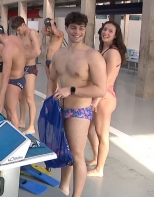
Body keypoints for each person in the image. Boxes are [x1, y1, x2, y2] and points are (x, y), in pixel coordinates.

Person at [46, 12, 107, 197]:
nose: (77, 31)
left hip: (79, 110)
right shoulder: (59, 55)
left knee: (77, 154)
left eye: (81, 28)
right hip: (60, 108)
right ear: (66, 28)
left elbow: (100, 90)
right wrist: (50, 99)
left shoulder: (92, 56)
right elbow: (52, 79)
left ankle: (76, 195)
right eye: (73, 27)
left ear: (85, 30)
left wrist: (71, 90)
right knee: (63, 151)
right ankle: (64, 186)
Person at [86, 21, 127, 177]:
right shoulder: (104, 50)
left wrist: (96, 99)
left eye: (110, 31)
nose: (106, 33)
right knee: (90, 129)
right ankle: (96, 158)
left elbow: (108, 80)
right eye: (105, 29)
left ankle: (99, 168)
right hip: (98, 94)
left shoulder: (113, 52)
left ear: (116, 35)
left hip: (104, 96)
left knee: (102, 134)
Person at [0, 24, 26, 129]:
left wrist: (0, 97)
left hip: (14, 81)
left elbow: (6, 76)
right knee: (9, 109)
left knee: (11, 111)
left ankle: (16, 140)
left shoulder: (7, 51)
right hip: (21, 76)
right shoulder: (14, 38)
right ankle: (11, 133)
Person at [11, 16, 41, 134]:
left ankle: (31, 126)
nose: (18, 32)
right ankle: (22, 120)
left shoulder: (32, 33)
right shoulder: (20, 36)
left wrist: (23, 59)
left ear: (24, 25)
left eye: (19, 29)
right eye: (16, 31)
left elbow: (37, 51)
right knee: (20, 97)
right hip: (20, 68)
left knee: (29, 98)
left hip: (30, 68)